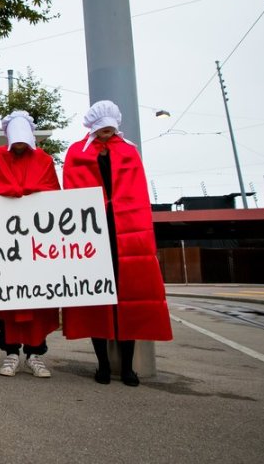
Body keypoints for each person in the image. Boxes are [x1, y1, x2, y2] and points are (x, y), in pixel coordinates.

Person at [62, 100, 173, 386]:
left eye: (110, 128)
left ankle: (127, 368)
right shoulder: (78, 152)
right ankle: (101, 365)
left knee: (129, 298)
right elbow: (73, 192)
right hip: (92, 230)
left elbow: (137, 193)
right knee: (94, 297)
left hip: (126, 230)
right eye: (102, 129)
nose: (106, 132)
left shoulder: (129, 151)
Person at [0, 111, 61, 378]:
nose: (20, 146)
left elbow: (54, 194)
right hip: (6, 244)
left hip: (38, 244)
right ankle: (11, 352)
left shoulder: (44, 160)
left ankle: (36, 354)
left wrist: (29, 194)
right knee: (8, 298)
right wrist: (8, 192)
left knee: (39, 299)